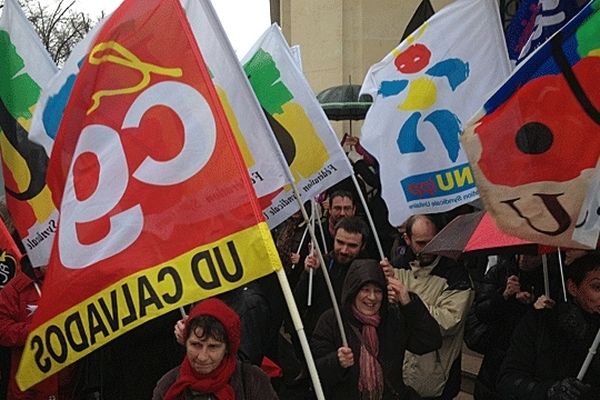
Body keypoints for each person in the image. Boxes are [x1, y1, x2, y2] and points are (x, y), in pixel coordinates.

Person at [311, 259, 442, 399]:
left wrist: (409, 303)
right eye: (365, 290)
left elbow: (429, 342)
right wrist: (336, 362)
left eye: (378, 291)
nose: (372, 297)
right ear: (353, 290)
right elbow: (314, 372)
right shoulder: (333, 320)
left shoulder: (392, 318)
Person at [382, 214, 472, 400]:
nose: (428, 249)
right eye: (421, 243)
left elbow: (447, 322)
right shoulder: (398, 268)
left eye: (432, 242)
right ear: (407, 239)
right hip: (400, 373)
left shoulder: (456, 276)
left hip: (435, 375)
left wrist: (408, 301)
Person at [497, 250, 600, 400]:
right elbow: (508, 379)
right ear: (572, 287)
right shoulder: (542, 320)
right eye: (597, 287)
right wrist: (549, 391)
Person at [470, 253, 563, 400]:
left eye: (532, 255)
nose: (525, 259)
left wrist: (538, 306)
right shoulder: (501, 271)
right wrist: (504, 295)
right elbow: (481, 311)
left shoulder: (551, 278)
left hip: (528, 360)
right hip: (497, 353)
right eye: (522, 253)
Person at [153, 298, 278, 400]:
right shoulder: (168, 386)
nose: (202, 357)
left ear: (227, 348)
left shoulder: (252, 382)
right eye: (195, 345)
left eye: (213, 347)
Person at [0, 258, 77, 399]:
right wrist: (37, 331)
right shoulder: (16, 289)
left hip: (68, 383)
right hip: (29, 386)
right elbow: (3, 329)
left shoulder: (73, 281)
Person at [294, 216, 369, 338]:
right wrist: (309, 274)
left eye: (352, 245)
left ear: (363, 246)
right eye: (340, 242)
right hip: (317, 336)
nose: (344, 250)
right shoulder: (321, 264)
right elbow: (299, 302)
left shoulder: (367, 271)